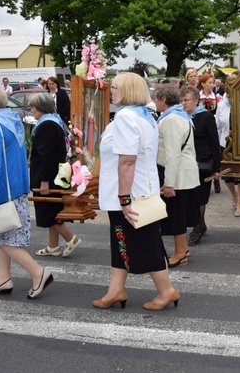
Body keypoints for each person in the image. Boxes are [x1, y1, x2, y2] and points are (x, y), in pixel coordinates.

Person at [92, 73, 179, 311]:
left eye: (116, 87)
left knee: (145, 242)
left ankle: (166, 291)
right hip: (139, 190)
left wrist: (124, 198)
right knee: (121, 239)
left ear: (129, 90)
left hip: (129, 194)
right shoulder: (143, 115)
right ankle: (115, 290)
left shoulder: (126, 117)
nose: (112, 91)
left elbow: (128, 160)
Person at [0, 83, 53, 299]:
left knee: (3, 238)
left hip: (0, 191)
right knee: (2, 232)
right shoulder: (12, 121)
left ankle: (39, 272)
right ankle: (3, 278)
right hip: (16, 188)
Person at [28, 92, 81, 258]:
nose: (31, 111)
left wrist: (43, 181)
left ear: (41, 108)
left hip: (48, 177)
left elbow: (46, 156)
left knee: (47, 214)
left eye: (33, 107)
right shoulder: (55, 121)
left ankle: (70, 238)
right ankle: (53, 246)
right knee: (53, 211)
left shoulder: (46, 125)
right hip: (56, 174)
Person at [154, 84, 199, 268]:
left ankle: (180, 252)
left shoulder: (171, 119)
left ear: (164, 100)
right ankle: (184, 250)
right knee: (177, 214)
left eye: (156, 98)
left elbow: (173, 154)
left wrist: (169, 183)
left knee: (176, 215)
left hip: (177, 174)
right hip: (182, 172)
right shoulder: (179, 116)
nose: (154, 102)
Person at [180, 87, 221, 246]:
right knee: (192, 195)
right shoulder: (182, 117)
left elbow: (214, 142)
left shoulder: (206, 117)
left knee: (200, 197)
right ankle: (201, 224)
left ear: (196, 101)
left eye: (186, 100)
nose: (183, 103)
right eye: (181, 100)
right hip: (187, 161)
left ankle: (197, 228)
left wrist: (216, 168)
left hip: (203, 162)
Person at [215, 75, 240, 217]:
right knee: (227, 174)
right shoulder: (222, 104)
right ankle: (233, 195)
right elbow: (218, 126)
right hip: (225, 143)